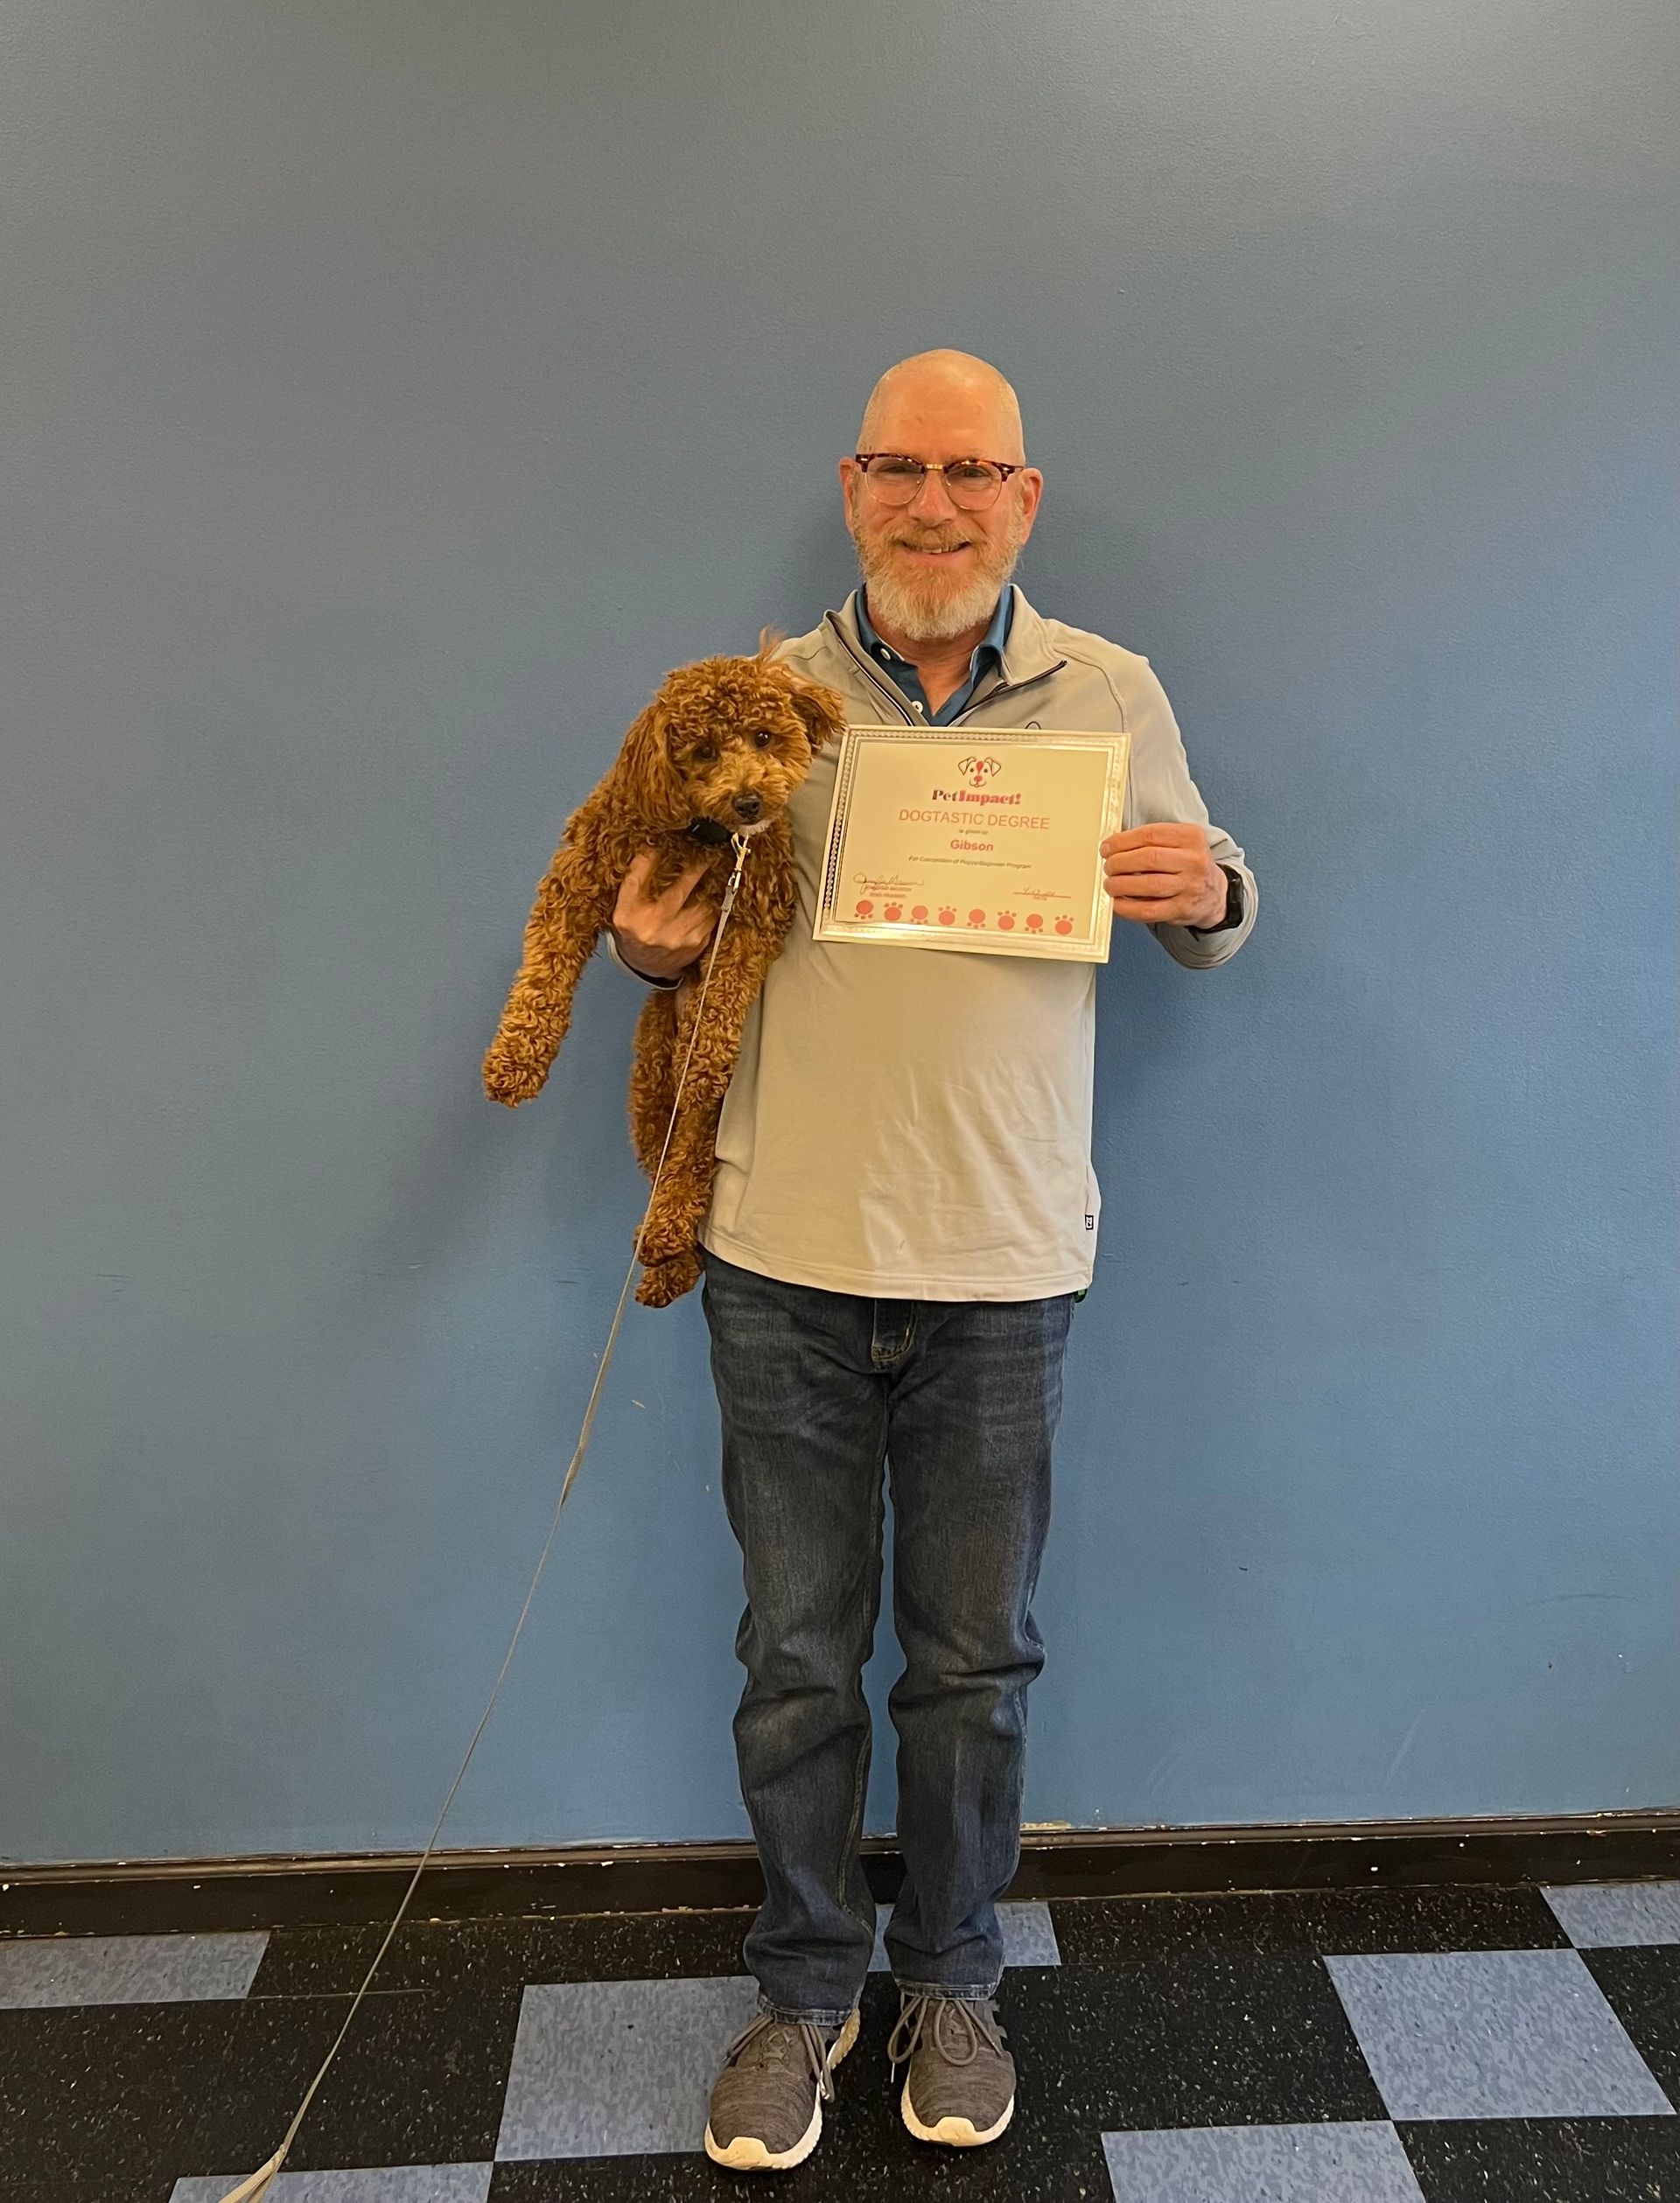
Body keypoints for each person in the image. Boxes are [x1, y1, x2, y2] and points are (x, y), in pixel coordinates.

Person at [604, 350, 1257, 2172]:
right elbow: (668, 930)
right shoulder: (757, 695)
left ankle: (952, 1972)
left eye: (972, 469)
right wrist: (649, 954)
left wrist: (1212, 889)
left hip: (1004, 1255)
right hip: (779, 1252)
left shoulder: (1110, 689)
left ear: (1023, 499)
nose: (934, 501)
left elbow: (1208, 905)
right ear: (850, 484)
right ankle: (808, 1988)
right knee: (797, 1655)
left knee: (973, 1663)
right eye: (901, 464)